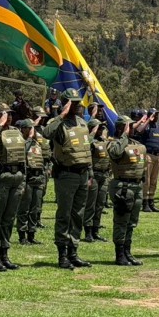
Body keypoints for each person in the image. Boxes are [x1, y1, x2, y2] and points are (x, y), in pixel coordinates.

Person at [45, 88, 93, 269]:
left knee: (78, 215)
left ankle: (74, 252)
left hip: (82, 175)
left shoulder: (82, 123)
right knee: (64, 214)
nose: (77, 106)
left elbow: (86, 150)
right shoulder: (58, 124)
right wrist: (61, 115)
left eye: (77, 102)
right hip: (66, 174)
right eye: (72, 103)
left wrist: (90, 174)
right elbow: (46, 133)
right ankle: (62, 254)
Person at [0, 106, 27, 272]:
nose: (9, 117)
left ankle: (5, 254)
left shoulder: (16, 131)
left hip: (16, 177)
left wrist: (23, 178)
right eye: (5, 114)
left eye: (10, 114)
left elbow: (23, 154)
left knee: (9, 218)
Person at [108, 115, 146, 266]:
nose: (132, 129)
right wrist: (123, 134)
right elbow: (116, 153)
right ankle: (119, 254)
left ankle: (127, 252)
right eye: (129, 126)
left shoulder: (136, 144)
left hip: (136, 187)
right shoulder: (114, 144)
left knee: (132, 222)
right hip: (122, 187)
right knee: (121, 221)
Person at [16, 115, 44, 246]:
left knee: (35, 208)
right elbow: (22, 152)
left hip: (38, 179)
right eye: (30, 128)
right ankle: (22, 236)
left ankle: (32, 234)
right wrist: (28, 138)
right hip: (27, 179)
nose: (33, 130)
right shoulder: (21, 142)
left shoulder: (36, 143)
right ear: (23, 129)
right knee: (24, 209)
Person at [83, 119, 110, 242]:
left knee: (100, 204)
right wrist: (91, 134)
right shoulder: (89, 142)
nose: (101, 130)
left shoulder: (104, 142)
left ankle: (96, 230)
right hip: (93, 176)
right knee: (91, 205)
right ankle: (88, 231)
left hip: (104, 176)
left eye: (102, 128)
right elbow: (85, 153)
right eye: (98, 128)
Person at [135, 108, 159, 213]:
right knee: (146, 181)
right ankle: (145, 203)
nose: (156, 117)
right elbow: (139, 131)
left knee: (154, 181)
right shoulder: (146, 126)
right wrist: (147, 120)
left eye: (157, 115)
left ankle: (151, 202)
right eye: (153, 115)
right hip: (148, 156)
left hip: (158, 157)